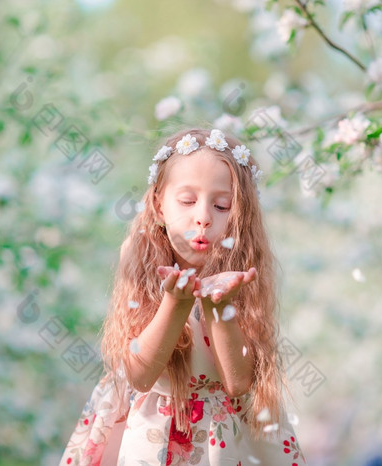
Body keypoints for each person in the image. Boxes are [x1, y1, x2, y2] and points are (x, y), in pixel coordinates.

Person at [59, 128, 307, 465]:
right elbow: (141, 375)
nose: (203, 217)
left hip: (222, 440)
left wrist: (219, 306)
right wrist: (176, 302)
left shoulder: (242, 272)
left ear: (241, 216)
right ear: (159, 204)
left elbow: (237, 383)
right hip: (154, 431)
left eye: (222, 205)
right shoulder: (142, 258)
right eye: (187, 201)